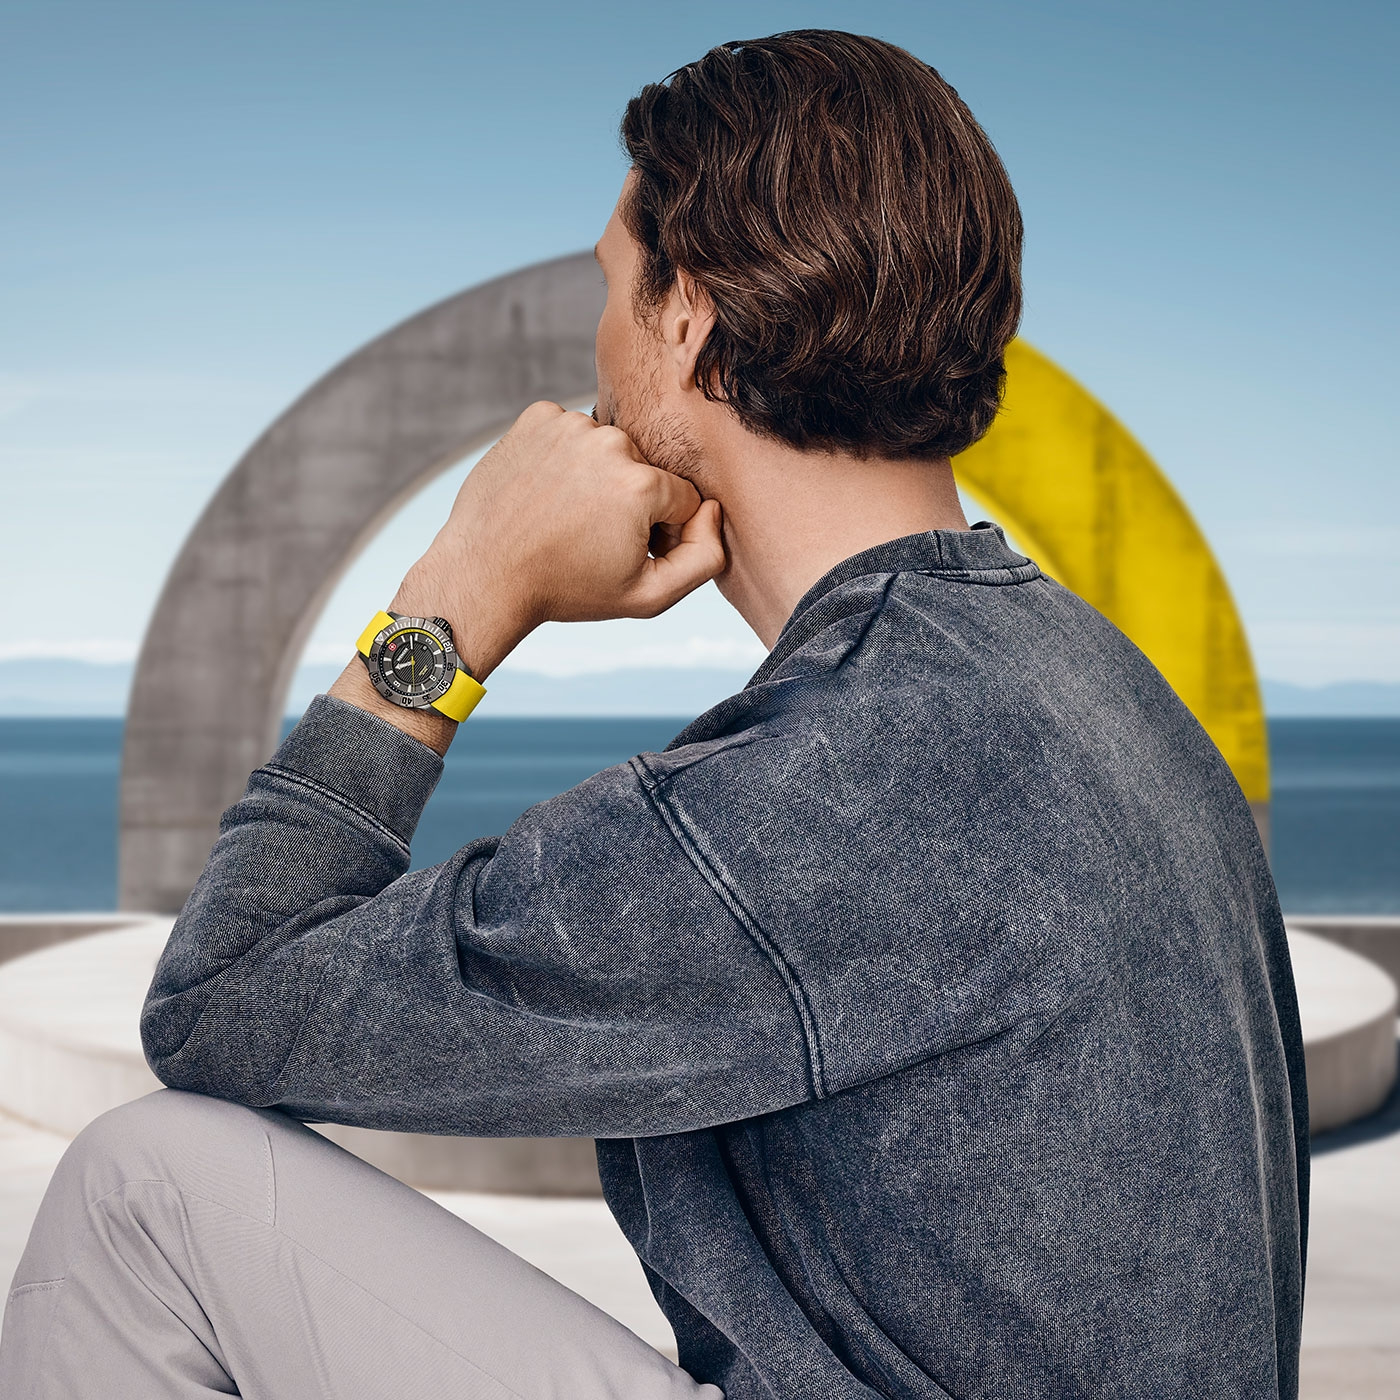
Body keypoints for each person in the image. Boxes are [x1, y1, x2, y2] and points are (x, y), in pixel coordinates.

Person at [0, 27, 1307, 1400]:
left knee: (144, 1187)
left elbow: (222, 1000)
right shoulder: (1098, 688)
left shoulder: (831, 782)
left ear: (691, 318)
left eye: (616, 288)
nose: (600, 342)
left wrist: (462, 590)